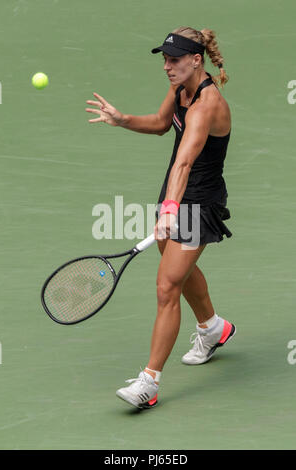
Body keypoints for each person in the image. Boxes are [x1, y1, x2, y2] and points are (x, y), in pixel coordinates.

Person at [85, 27, 236, 409]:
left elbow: (185, 161)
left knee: (167, 286)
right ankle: (213, 328)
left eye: (175, 60)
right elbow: (159, 123)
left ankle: (149, 383)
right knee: (177, 272)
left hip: (198, 203)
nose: (167, 67)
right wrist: (123, 120)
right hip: (175, 194)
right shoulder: (180, 88)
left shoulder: (207, 104)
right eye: (165, 60)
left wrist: (171, 210)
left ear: (196, 60)